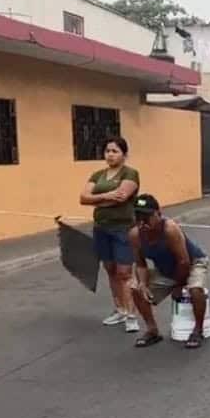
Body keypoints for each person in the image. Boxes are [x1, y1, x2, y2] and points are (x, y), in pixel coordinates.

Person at [129, 194, 210, 349]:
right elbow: (140, 264)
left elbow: (184, 261)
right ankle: (152, 331)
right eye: (138, 216)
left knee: (195, 289)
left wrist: (179, 285)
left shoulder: (170, 229)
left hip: (193, 263)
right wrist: (143, 283)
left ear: (158, 214)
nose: (142, 222)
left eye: (146, 217)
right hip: (166, 269)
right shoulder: (135, 235)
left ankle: (198, 330)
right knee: (135, 289)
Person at [79, 136, 140, 332]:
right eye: (107, 151)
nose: (110, 155)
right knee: (111, 270)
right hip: (101, 228)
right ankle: (120, 309)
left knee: (125, 273)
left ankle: (132, 314)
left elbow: (122, 197)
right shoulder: (98, 175)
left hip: (123, 229)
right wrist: (105, 196)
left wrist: (96, 200)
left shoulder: (130, 173)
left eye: (115, 151)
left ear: (124, 154)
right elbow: (83, 198)